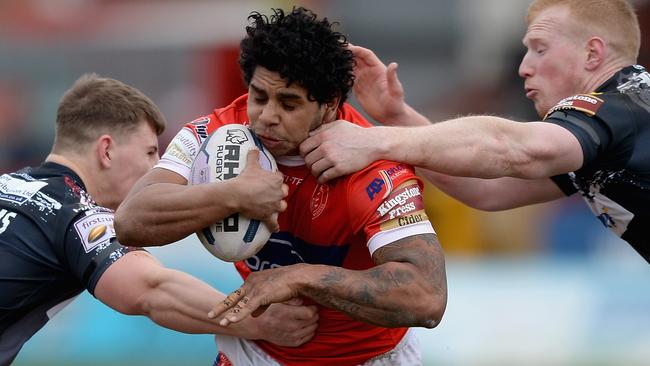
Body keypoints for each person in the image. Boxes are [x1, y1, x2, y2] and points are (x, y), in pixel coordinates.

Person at [114, 7, 447, 366]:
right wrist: (234, 194)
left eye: (289, 104)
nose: (267, 116)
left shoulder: (372, 166)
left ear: (330, 104)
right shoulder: (216, 133)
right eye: (259, 97)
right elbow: (130, 220)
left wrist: (301, 279)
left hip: (368, 358)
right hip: (257, 355)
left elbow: (427, 298)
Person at [0, 74, 319, 365]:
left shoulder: (8, 184)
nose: (157, 169)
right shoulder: (74, 212)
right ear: (107, 151)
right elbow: (152, 289)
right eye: (151, 153)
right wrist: (257, 321)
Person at [301, 0, 650, 263]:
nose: (524, 67)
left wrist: (372, 141)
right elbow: (489, 190)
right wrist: (397, 116)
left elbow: (512, 147)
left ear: (593, 53)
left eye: (540, 49)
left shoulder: (621, 107)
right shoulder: (614, 123)